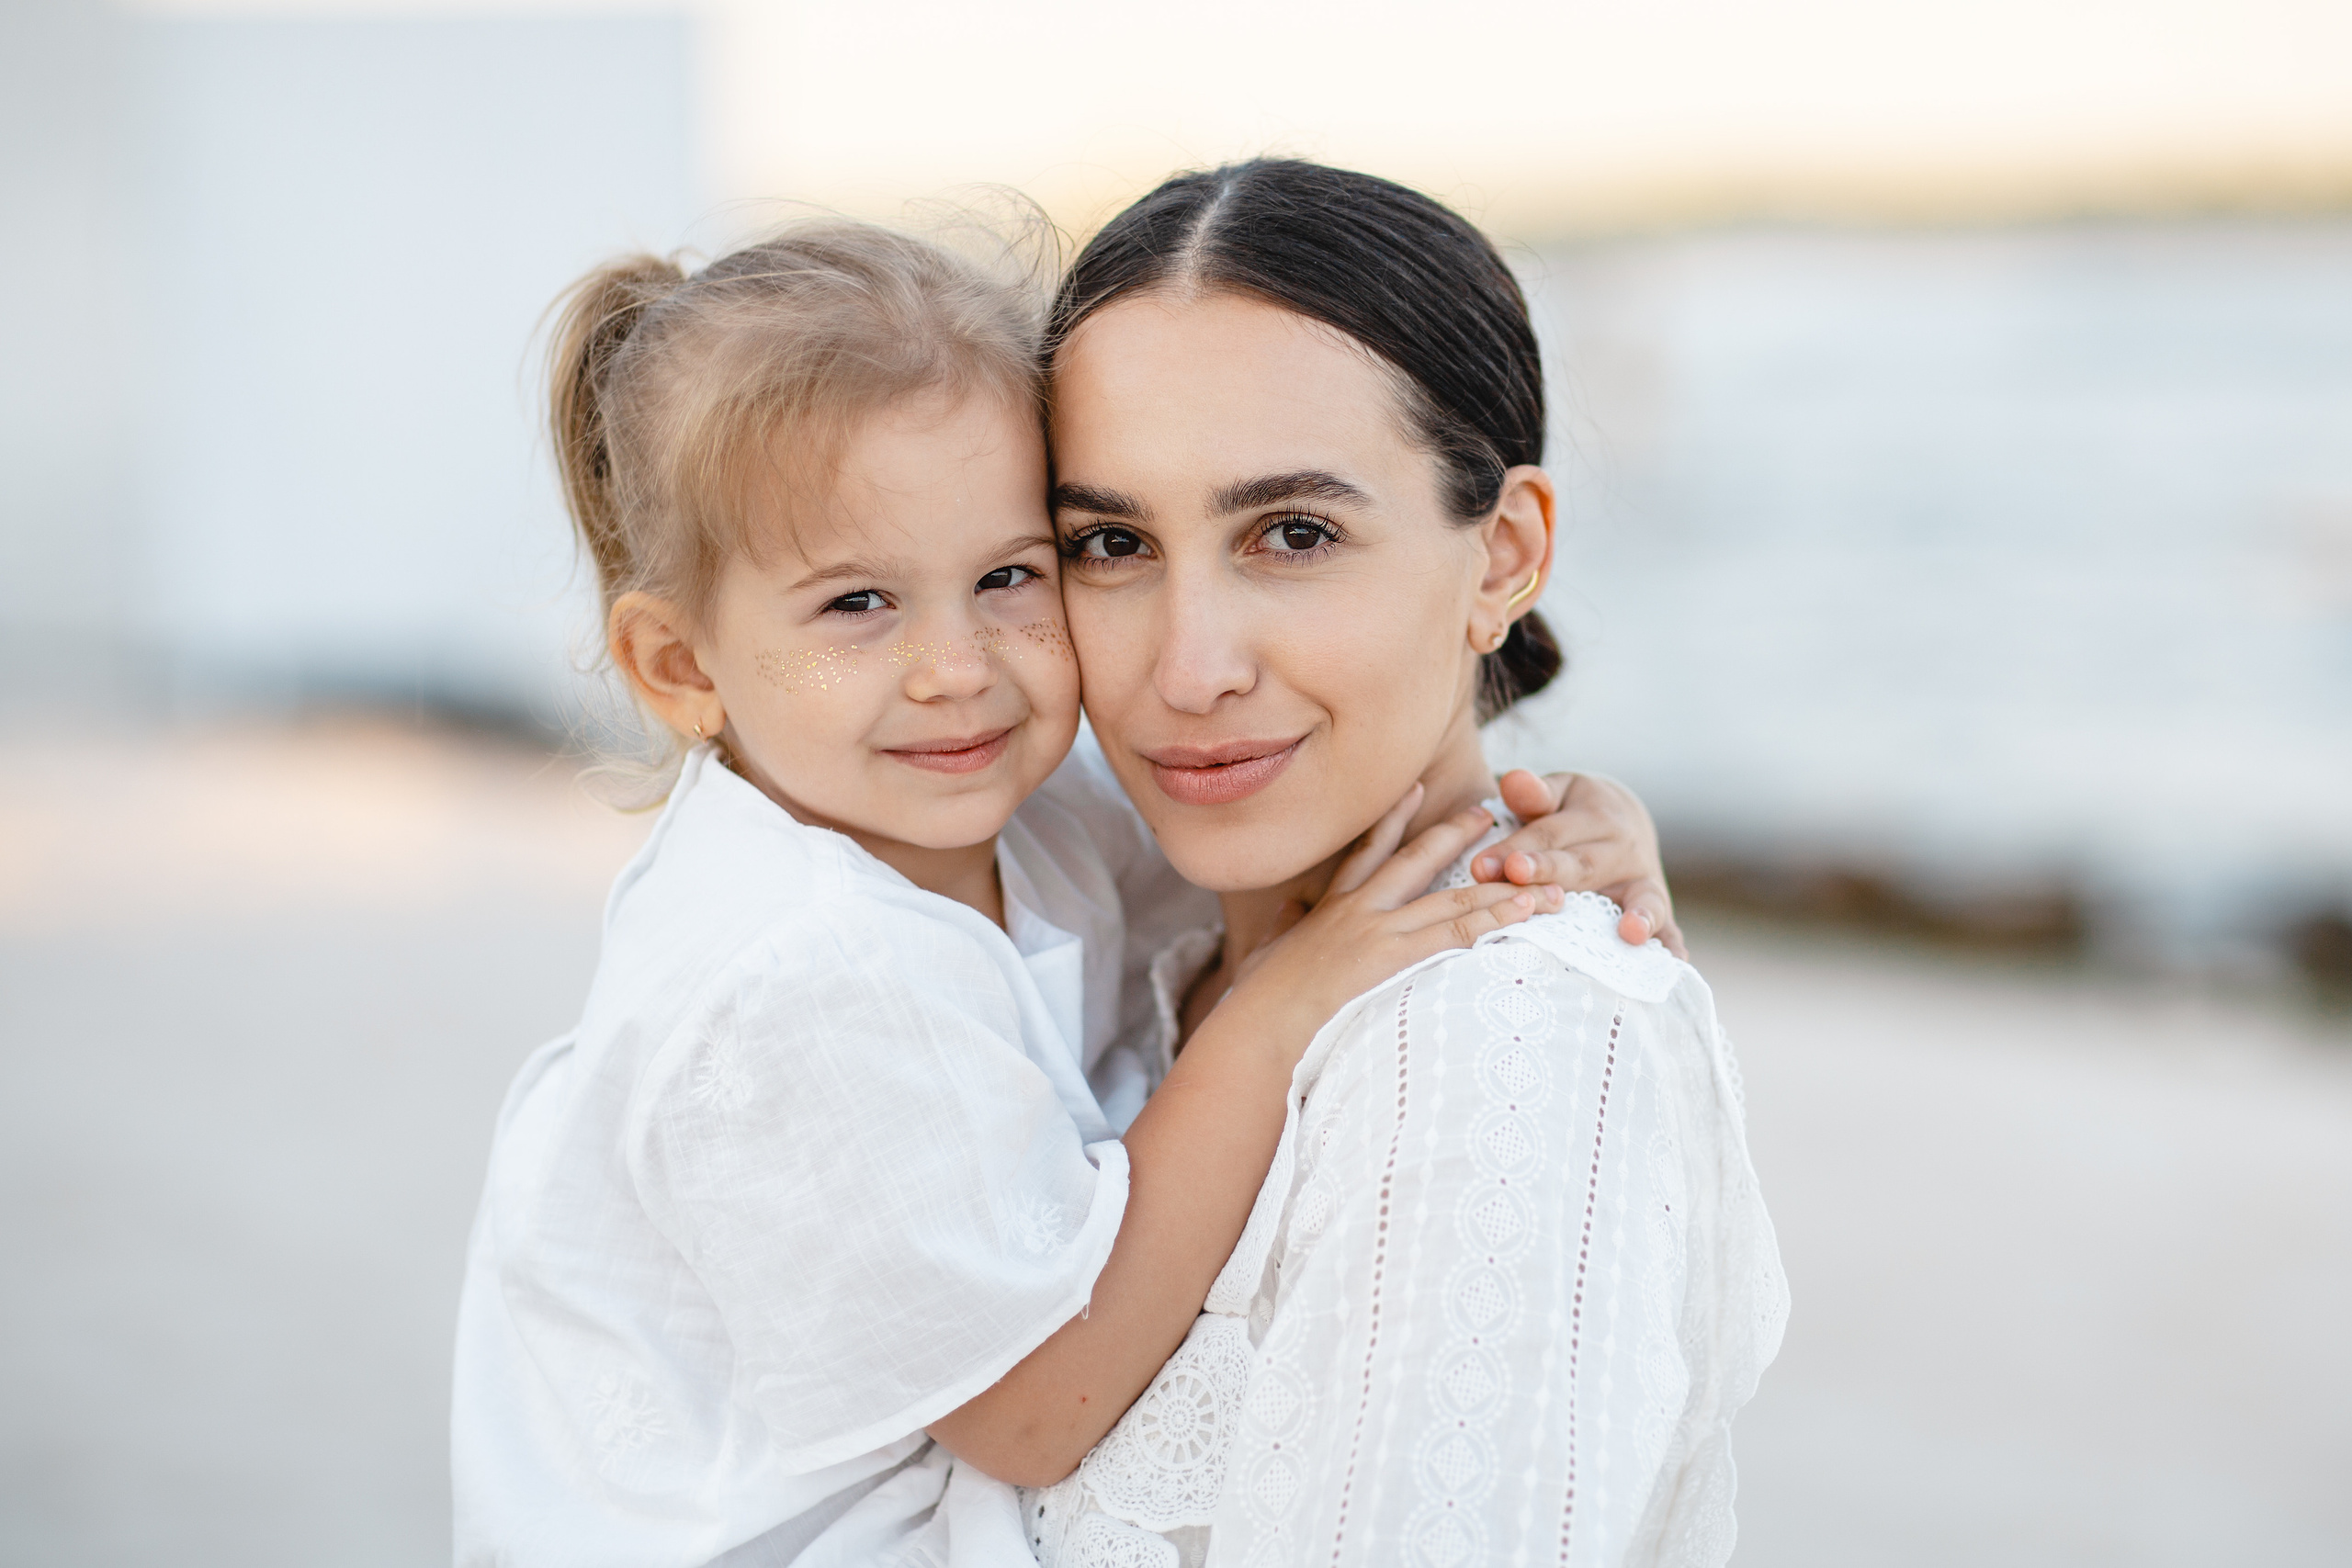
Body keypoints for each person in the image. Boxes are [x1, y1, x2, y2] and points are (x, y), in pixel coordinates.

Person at [451, 218, 1679, 1566]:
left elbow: (1281, 869)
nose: (956, 668)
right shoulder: (793, 974)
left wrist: (1569, 827)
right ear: (680, 666)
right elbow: (1034, 1415)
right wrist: (1280, 1015)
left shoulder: (1017, 816)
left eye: (1012, 575)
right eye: (857, 604)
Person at [1017, 160, 1788, 1568]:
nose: (1188, 671)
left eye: (1294, 533)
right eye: (1112, 543)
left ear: (1504, 554)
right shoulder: (1122, 945)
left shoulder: (1501, 1035)